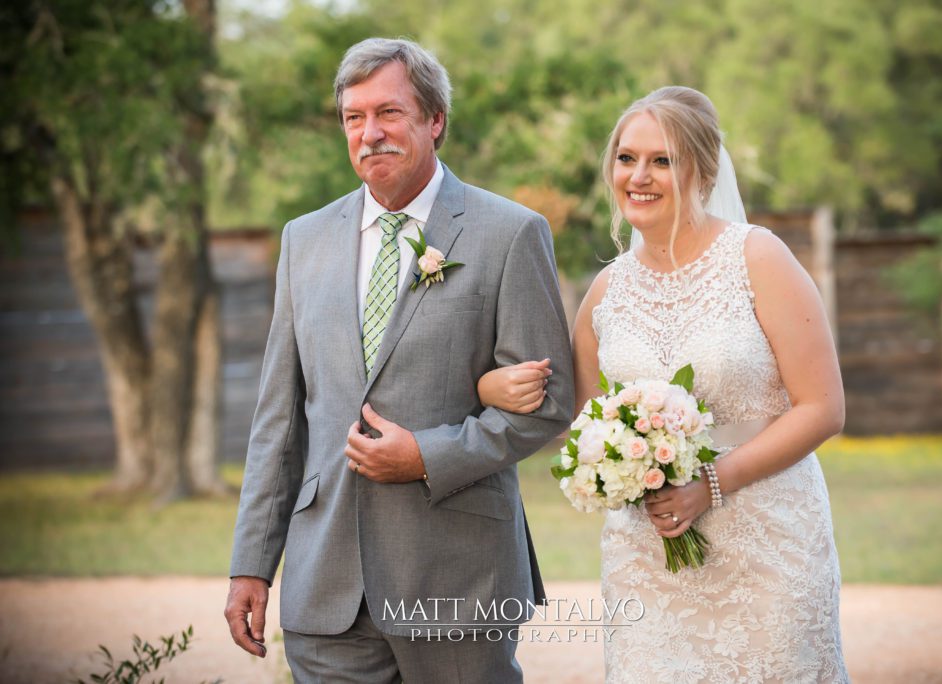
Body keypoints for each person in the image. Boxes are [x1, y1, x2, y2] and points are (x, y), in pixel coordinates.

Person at [224, 37, 574, 683]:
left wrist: (429, 456)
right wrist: (251, 564)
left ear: (434, 120)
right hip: (324, 583)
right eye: (353, 118)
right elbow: (279, 419)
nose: (369, 133)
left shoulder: (509, 233)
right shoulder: (304, 240)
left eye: (389, 113)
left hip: (457, 577)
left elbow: (550, 404)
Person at [478, 86, 850, 682]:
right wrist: (490, 389)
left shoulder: (758, 258)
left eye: (662, 160)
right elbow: (571, 410)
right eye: (626, 158)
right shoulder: (607, 290)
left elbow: (823, 408)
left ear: (701, 170)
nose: (638, 176)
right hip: (646, 555)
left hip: (768, 547)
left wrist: (711, 482)